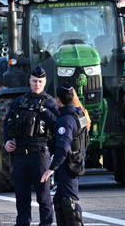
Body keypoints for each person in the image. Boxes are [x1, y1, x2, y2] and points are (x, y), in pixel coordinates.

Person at [4, 66, 59, 226]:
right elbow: (7, 124)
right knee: (21, 197)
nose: (37, 84)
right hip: (20, 154)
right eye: (34, 81)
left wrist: (52, 153)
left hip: (40, 154)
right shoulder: (19, 102)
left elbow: (58, 128)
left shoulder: (50, 103)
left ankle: (46, 224)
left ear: (45, 82)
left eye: (40, 81)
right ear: (29, 81)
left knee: (43, 196)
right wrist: (7, 141)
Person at [40, 84, 89, 226]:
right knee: (60, 201)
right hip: (77, 159)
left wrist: (51, 168)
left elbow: (63, 147)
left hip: (67, 164)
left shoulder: (65, 120)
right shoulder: (80, 113)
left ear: (58, 99)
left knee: (69, 203)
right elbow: (85, 138)